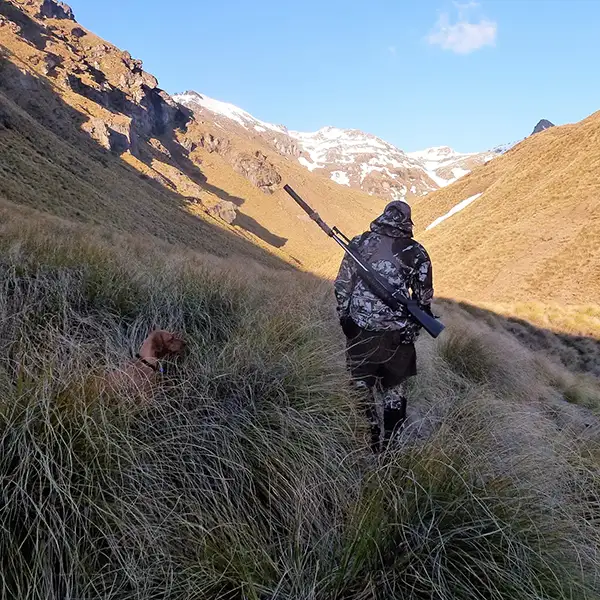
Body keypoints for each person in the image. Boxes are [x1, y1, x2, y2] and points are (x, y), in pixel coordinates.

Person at [334, 201, 434, 452]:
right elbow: (423, 299)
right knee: (394, 390)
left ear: (383, 216)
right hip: (397, 336)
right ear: (407, 222)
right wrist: (414, 328)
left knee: (360, 384)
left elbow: (342, 285)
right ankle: (391, 446)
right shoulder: (418, 252)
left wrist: (345, 317)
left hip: (360, 330)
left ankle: (370, 435)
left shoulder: (359, 244)